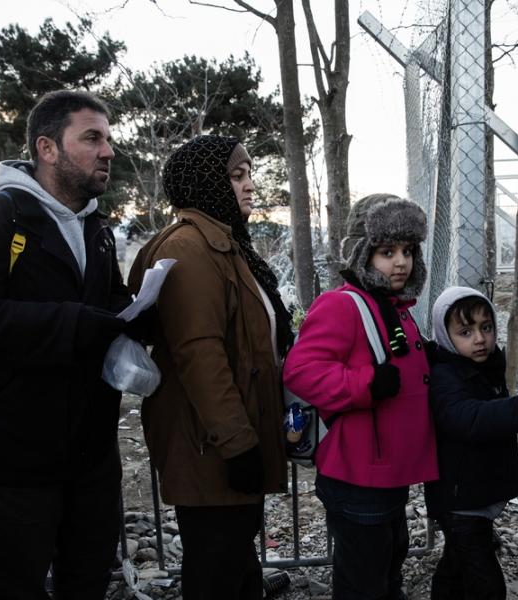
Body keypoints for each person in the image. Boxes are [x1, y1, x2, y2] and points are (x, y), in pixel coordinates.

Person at [0, 90, 133, 599]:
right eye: (92, 138)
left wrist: (140, 315)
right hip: (16, 463)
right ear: (46, 148)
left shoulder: (96, 229)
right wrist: (72, 324)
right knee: (13, 589)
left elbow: (107, 306)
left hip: (91, 456)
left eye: (108, 138)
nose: (108, 151)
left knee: (86, 583)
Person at [128, 135, 292, 599]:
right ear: (206, 184)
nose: (249, 186)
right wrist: (239, 445)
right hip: (211, 444)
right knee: (215, 562)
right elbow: (200, 355)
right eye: (236, 176)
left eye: (248, 175)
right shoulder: (191, 250)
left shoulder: (222, 242)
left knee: (233, 552)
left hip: (223, 436)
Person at [283, 194, 439, 600]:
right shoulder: (342, 305)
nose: (400, 262)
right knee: (363, 577)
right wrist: (366, 384)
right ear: (362, 253)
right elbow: (301, 370)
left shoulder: (394, 306)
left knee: (388, 561)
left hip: (386, 470)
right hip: (357, 474)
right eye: (386, 252)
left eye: (407, 251)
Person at [425, 286, 518, 600]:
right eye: (465, 331)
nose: (479, 338)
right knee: (487, 586)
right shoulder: (444, 375)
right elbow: (469, 418)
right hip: (460, 501)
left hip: (471, 494)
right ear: (446, 336)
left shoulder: (484, 367)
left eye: (485, 328)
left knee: (456, 567)